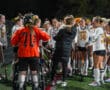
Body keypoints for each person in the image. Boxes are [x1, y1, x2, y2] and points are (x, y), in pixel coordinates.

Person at [11, 14, 50, 90]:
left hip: (22, 54)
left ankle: (21, 86)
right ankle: (35, 87)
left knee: (22, 72)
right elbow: (47, 37)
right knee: (34, 72)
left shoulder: (19, 30)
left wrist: (19, 42)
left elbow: (13, 41)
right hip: (34, 54)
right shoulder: (36, 30)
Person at [51, 16, 77, 87]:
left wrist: (54, 35)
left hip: (59, 49)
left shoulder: (62, 30)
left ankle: (53, 80)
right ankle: (64, 81)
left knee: (55, 65)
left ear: (66, 22)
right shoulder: (74, 30)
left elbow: (56, 38)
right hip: (67, 50)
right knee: (64, 66)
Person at [89, 16, 106, 86]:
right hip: (102, 48)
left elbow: (94, 38)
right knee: (99, 65)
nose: (92, 23)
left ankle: (96, 81)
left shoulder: (98, 29)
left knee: (96, 65)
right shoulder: (100, 29)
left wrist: (90, 33)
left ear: (97, 22)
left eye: (94, 21)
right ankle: (101, 80)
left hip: (98, 49)